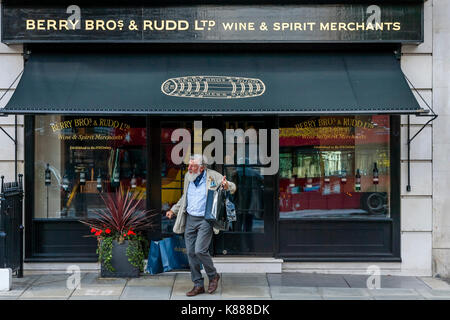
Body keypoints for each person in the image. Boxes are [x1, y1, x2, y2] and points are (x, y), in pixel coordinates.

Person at [166, 154, 236, 296]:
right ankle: (198, 284)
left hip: (205, 219)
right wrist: (173, 210)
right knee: (191, 253)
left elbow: (232, 187)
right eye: (189, 165)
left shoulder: (213, 176)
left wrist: (226, 185)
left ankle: (213, 275)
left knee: (200, 250)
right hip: (190, 219)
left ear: (202, 168)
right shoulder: (188, 177)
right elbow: (184, 197)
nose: (189, 168)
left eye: (193, 166)